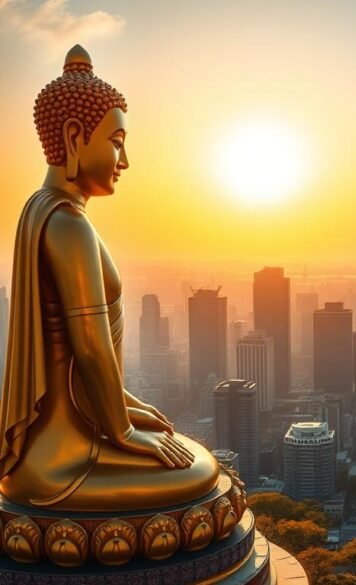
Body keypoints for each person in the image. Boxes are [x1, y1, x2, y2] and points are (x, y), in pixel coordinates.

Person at [0, 45, 219, 511]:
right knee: (202, 473)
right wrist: (121, 431)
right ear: (76, 136)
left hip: (70, 434)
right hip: (64, 460)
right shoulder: (68, 225)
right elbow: (90, 347)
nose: (124, 161)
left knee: (177, 445)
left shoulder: (43, 211)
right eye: (117, 141)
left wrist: (130, 406)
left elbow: (79, 363)